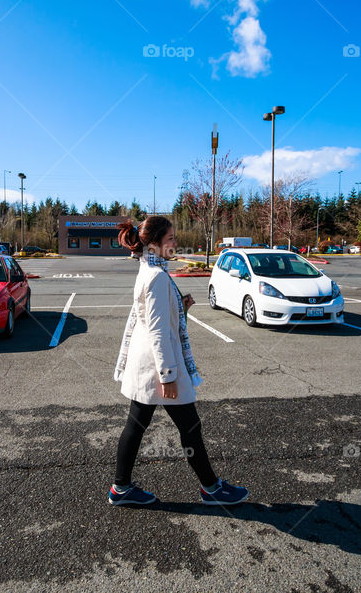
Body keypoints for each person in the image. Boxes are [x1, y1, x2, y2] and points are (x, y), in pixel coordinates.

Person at [109, 215, 248, 506]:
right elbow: (158, 330)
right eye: (170, 238)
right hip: (159, 366)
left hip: (147, 364)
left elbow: (153, 318)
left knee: (136, 426)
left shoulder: (149, 269)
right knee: (189, 427)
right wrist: (169, 375)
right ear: (155, 243)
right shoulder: (157, 277)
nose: (175, 243)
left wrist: (179, 309)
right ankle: (211, 488)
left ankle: (121, 488)